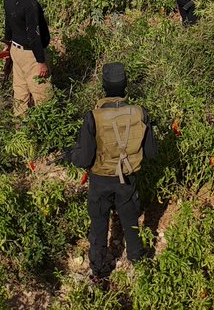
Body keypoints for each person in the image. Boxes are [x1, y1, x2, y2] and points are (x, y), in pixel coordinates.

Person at [66, 63, 158, 283]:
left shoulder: (93, 117)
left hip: (100, 181)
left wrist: (68, 154)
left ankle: (98, 272)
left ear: (104, 87)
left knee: (99, 225)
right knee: (131, 222)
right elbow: (152, 153)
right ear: (125, 86)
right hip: (128, 180)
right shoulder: (140, 113)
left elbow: (85, 158)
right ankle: (138, 265)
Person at [3, 0, 51, 116]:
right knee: (43, 95)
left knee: (20, 93)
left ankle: (21, 131)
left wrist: (7, 42)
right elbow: (33, 35)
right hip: (31, 55)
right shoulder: (30, 4)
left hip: (16, 51)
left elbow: (8, 21)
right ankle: (48, 131)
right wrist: (41, 61)